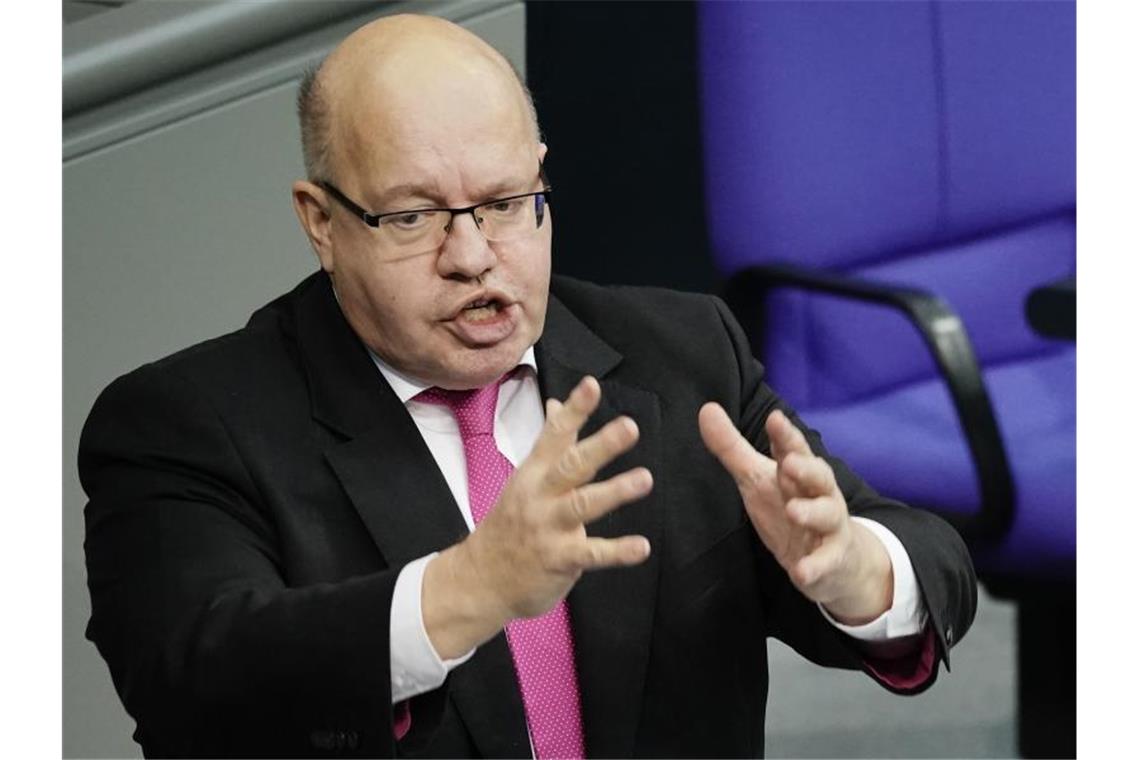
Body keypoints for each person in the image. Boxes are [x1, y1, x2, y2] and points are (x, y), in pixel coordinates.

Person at [79, 14, 975, 759]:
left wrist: (851, 566)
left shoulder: (682, 352)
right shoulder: (185, 425)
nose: (472, 258)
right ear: (321, 221)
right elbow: (191, 687)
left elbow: (926, 563)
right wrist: (468, 588)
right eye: (414, 216)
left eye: (505, 203)